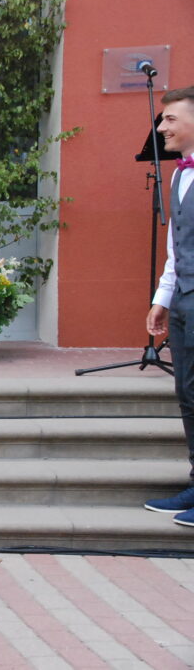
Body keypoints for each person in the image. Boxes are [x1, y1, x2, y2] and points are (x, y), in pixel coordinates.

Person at [145, 86, 194, 528]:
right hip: (183, 302)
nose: (161, 128)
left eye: (170, 119)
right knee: (188, 393)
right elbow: (177, 249)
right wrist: (163, 298)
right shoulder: (179, 176)